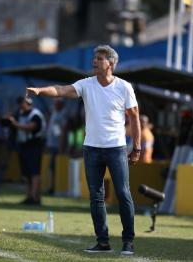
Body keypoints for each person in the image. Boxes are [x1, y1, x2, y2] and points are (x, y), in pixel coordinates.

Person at [26, 45, 141, 255]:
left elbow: (134, 117)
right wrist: (41, 90)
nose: (94, 61)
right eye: (94, 58)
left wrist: (137, 148)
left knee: (123, 194)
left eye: (99, 58)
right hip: (91, 150)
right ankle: (103, 242)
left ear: (110, 64)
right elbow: (62, 90)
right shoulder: (86, 84)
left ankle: (128, 242)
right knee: (96, 197)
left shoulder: (124, 87)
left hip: (116, 149)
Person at [8, 97, 46, 206]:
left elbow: (31, 127)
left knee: (34, 173)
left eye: (22, 103)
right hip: (24, 146)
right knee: (27, 173)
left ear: (28, 103)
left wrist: (15, 124)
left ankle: (35, 198)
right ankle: (29, 196)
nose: (20, 105)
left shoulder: (35, 114)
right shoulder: (21, 113)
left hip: (34, 146)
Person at [45, 98, 66, 194]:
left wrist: (61, 147)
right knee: (51, 167)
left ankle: (53, 187)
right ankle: (51, 186)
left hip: (56, 146)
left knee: (54, 167)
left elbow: (62, 132)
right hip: (51, 144)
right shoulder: (55, 113)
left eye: (57, 103)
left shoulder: (62, 115)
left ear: (61, 104)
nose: (55, 104)